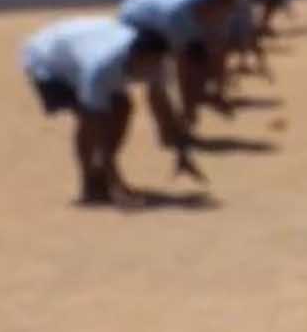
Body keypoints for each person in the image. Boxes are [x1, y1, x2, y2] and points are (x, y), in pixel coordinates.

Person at [21, 17, 202, 205]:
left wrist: (182, 152)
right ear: (136, 56)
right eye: (148, 64)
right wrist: (117, 184)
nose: (152, 70)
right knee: (90, 120)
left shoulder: (158, 64)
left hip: (81, 43)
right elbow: (95, 124)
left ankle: (102, 174)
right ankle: (90, 184)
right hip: (48, 60)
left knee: (123, 107)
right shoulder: (100, 68)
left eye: (157, 63)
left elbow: (163, 105)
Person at [117, 0, 246, 130]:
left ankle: (187, 115)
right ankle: (168, 130)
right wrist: (195, 103)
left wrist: (217, 92)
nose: (224, 16)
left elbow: (217, 53)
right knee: (157, 74)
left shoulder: (224, 8)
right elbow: (182, 69)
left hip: (167, 2)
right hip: (139, 17)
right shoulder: (177, 18)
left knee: (199, 63)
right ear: (209, 5)